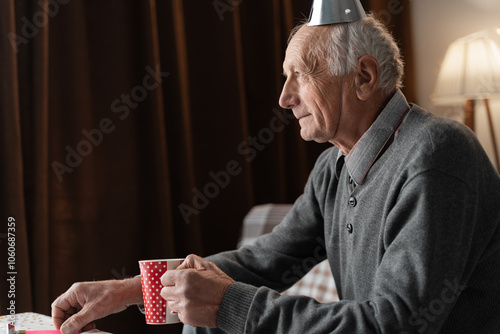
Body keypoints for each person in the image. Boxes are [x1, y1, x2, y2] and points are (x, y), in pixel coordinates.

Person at [52, 13, 500, 334]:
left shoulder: (438, 155)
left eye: (300, 75)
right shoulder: (334, 168)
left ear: (364, 76)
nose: (285, 98)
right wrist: (127, 291)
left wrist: (230, 304)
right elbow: (262, 263)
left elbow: (395, 325)